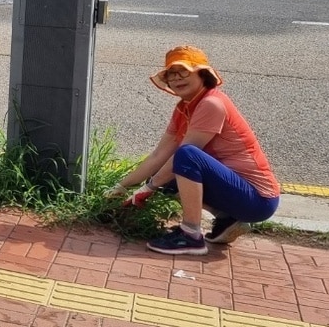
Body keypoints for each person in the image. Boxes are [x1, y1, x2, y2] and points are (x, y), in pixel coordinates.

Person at [109, 45, 279, 255]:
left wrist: (148, 188)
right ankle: (227, 217)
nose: (176, 78)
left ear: (202, 74)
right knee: (167, 171)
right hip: (237, 193)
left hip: (258, 200)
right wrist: (121, 187)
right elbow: (158, 156)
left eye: (183, 71)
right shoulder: (184, 108)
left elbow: (187, 154)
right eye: (171, 74)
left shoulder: (212, 104)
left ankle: (191, 235)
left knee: (186, 156)